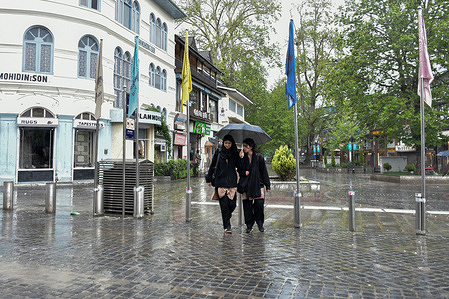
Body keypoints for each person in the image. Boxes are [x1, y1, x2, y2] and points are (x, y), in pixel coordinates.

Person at [205, 135, 241, 234]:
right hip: (220, 181)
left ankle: (227, 216)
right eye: (226, 143)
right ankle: (227, 226)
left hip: (232, 182)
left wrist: (241, 157)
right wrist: (209, 178)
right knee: (224, 206)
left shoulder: (235, 153)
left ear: (232, 144)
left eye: (229, 143)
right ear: (223, 143)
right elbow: (212, 165)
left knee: (232, 205)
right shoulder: (219, 152)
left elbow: (240, 166)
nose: (227, 145)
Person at [238, 138, 270, 233]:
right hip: (246, 185)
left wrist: (267, 185)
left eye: (245, 146)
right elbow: (239, 170)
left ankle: (260, 224)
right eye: (243, 146)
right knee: (247, 207)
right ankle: (249, 225)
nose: (243, 148)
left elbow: (264, 171)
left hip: (257, 184)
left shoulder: (259, 157)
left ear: (251, 147)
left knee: (259, 205)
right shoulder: (242, 157)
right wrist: (241, 162)